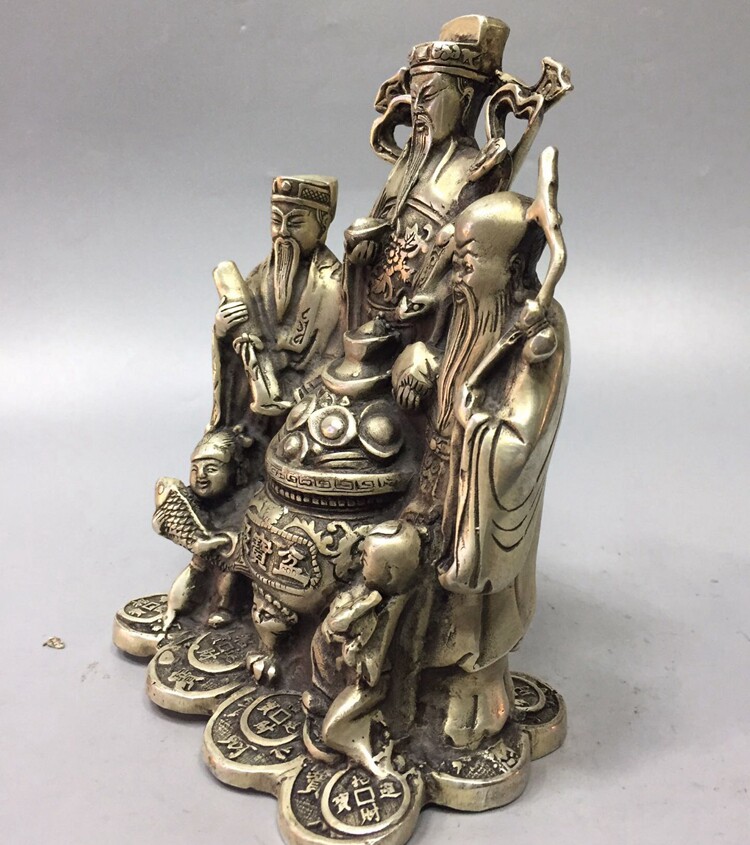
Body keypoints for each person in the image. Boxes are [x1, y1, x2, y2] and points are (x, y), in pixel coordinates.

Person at [402, 148, 570, 750]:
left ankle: (478, 679)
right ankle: (413, 672)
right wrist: (417, 358)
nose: (458, 277)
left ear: (510, 266)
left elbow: (523, 436)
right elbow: (424, 350)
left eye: (469, 263)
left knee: (473, 604)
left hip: (481, 487)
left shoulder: (538, 331)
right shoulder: (465, 309)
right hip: (434, 480)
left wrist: (476, 424)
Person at [210, 175, 345, 429]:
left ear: (322, 225)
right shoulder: (256, 280)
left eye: (294, 223)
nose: (282, 233)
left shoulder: (338, 286)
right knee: (213, 451)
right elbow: (238, 354)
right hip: (256, 413)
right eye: (276, 221)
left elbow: (342, 360)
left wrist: (299, 395)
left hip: (310, 409)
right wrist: (221, 331)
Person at [304, 520, 422, 774]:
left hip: (367, 687)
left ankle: (374, 756)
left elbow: (371, 672)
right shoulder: (370, 591)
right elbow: (334, 623)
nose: (360, 561)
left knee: (332, 731)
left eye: (366, 558)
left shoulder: (389, 607)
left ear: (389, 573)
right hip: (341, 673)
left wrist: (354, 650)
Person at [153, 427, 254, 630]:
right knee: (196, 569)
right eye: (195, 469)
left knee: (229, 572)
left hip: (236, 561)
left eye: (211, 469)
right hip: (204, 556)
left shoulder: (250, 496)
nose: (201, 476)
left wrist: (221, 541)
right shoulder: (192, 498)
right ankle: (177, 609)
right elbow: (169, 521)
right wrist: (162, 523)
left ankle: (226, 607)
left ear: (236, 471)